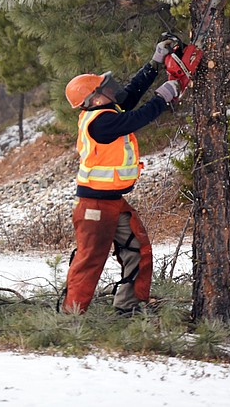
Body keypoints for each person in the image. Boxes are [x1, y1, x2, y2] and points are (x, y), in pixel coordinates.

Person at [59, 40, 181, 315]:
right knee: (90, 261)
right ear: (94, 98)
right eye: (104, 88)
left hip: (112, 201)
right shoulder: (101, 123)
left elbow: (130, 97)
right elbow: (136, 118)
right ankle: (70, 319)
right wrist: (163, 98)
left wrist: (154, 64)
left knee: (138, 249)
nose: (111, 90)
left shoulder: (105, 112)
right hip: (94, 207)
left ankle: (128, 308)